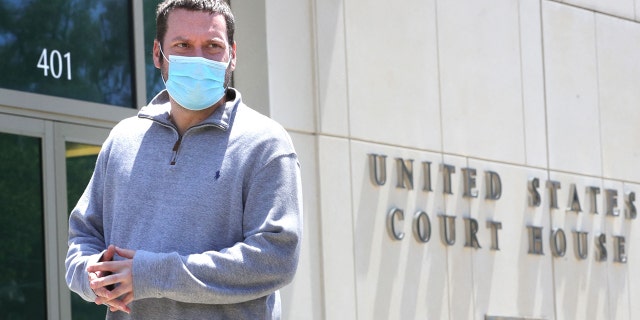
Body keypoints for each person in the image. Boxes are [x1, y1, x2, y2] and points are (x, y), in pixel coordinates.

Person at [65, 0, 303, 319]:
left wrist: (150, 275)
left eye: (213, 46)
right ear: (156, 53)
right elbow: (84, 235)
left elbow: (276, 257)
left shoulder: (265, 143)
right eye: (183, 45)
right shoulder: (122, 140)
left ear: (232, 55)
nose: (199, 57)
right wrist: (91, 275)